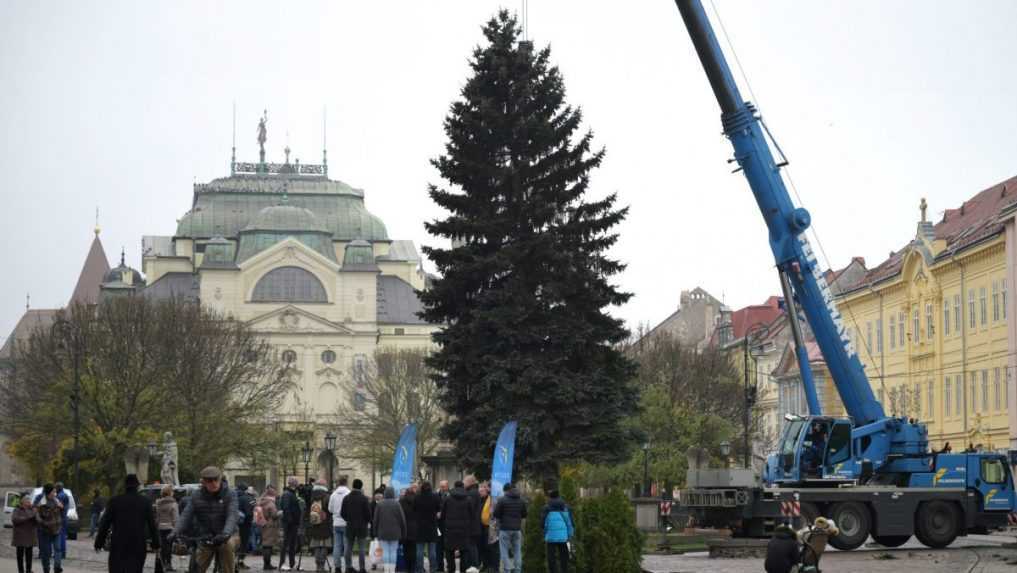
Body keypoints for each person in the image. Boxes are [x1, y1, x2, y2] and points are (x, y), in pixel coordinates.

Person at [170, 466, 239, 573]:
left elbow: (232, 515)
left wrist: (226, 533)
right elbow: (186, 515)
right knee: (197, 566)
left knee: (227, 547)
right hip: (206, 536)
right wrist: (175, 531)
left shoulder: (230, 494)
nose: (214, 483)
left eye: (216, 479)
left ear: (220, 479)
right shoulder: (196, 495)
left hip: (228, 534)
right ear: (203, 482)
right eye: (209, 481)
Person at [95, 474, 160, 573]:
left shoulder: (115, 501)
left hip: (118, 543)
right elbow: (152, 525)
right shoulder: (145, 502)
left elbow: (105, 524)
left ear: (125, 486)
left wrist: (99, 542)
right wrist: (156, 544)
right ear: (137, 486)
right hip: (138, 543)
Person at [439, 481, 474, 573]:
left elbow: (443, 515)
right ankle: (463, 570)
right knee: (464, 551)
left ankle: (451, 569)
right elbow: (472, 514)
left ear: (454, 487)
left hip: (450, 529)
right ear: (463, 487)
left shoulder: (448, 498)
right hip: (464, 529)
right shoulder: (468, 499)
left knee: (449, 551)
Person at [492, 483, 526, 573]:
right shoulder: (521, 500)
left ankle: (507, 570)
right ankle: (518, 570)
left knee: (504, 551)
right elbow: (524, 514)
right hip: (517, 529)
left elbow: (496, 514)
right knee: (517, 551)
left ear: (506, 490)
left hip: (505, 529)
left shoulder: (502, 500)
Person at [340, 479, 373, 573]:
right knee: (361, 548)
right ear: (361, 487)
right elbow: (368, 514)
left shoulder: (346, 498)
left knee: (348, 548)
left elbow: (342, 513)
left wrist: (348, 519)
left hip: (350, 526)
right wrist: (366, 521)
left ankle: (348, 567)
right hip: (362, 526)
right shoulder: (364, 499)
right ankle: (362, 568)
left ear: (353, 486)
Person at [373, 487, 406, 573]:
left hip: (382, 532)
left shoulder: (380, 504)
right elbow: (402, 519)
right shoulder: (397, 504)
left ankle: (386, 570)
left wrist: (374, 532)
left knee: (385, 551)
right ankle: (392, 570)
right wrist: (404, 532)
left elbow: (375, 520)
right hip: (395, 532)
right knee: (393, 551)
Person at [541, 490, 573, 573]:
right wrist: (570, 534)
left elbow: (542, 523)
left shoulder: (546, 508)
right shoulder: (566, 507)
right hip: (563, 536)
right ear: (559, 496)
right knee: (564, 557)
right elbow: (569, 522)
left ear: (549, 497)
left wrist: (544, 533)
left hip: (551, 536)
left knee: (551, 558)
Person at [35, 484, 64, 573]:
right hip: (46, 531)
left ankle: (57, 567)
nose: (55, 493)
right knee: (46, 553)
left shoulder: (56, 500)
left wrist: (61, 507)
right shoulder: (41, 503)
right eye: (53, 492)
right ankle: (46, 569)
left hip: (57, 529)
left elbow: (61, 510)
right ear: (48, 493)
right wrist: (44, 523)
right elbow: (37, 516)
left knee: (58, 549)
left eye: (55, 492)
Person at [306, 479, 332, 573]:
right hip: (325, 523)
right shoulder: (327, 496)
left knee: (317, 545)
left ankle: (317, 565)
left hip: (314, 523)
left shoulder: (312, 496)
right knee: (324, 545)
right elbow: (330, 510)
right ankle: (322, 565)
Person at [414, 482, 440, 573]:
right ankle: (433, 568)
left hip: (420, 527)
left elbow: (414, 509)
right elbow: (438, 508)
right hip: (432, 526)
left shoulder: (417, 497)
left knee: (419, 550)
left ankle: (419, 569)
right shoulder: (435, 496)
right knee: (432, 550)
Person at [278, 477, 302, 571]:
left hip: (293, 523)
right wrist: (290, 521)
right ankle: (282, 563)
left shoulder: (291, 493)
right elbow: (286, 508)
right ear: (294, 484)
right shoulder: (287, 494)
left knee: (292, 544)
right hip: (289, 523)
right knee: (286, 543)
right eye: (297, 483)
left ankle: (292, 563)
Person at [154, 485, 179, 573]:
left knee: (163, 546)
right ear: (170, 492)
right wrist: (177, 529)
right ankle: (168, 564)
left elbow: (157, 517)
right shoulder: (173, 504)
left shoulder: (158, 504)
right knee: (169, 546)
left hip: (161, 527)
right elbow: (175, 518)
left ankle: (162, 563)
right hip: (170, 527)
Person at [328, 477, 351, 571]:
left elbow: (330, 509)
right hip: (346, 523)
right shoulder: (348, 493)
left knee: (337, 546)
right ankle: (348, 566)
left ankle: (337, 567)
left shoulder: (333, 494)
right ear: (346, 483)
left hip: (336, 523)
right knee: (347, 546)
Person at [256, 486, 281, 570]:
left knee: (265, 544)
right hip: (270, 526)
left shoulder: (262, 501)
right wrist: (280, 513)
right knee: (268, 545)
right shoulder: (271, 503)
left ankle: (267, 564)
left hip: (263, 524)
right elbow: (274, 515)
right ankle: (267, 564)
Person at [12, 494, 39, 573]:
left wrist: (36, 514)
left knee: (29, 554)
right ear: (22, 501)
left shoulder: (32, 509)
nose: (29, 501)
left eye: (29, 499)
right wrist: (28, 517)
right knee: (20, 555)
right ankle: (20, 570)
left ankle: (28, 570)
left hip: (30, 535)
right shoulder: (17, 509)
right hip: (20, 536)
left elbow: (37, 520)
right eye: (27, 499)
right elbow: (15, 519)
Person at [462, 476, 482, 569]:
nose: (463, 484)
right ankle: (472, 565)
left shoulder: (472, 493)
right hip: (474, 524)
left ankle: (474, 566)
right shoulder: (473, 492)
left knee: (472, 546)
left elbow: (470, 509)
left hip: (472, 525)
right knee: (472, 546)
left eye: (464, 482)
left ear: (470, 482)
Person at [236, 482, 255, 570]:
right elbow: (249, 513)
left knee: (234, 544)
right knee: (243, 544)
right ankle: (239, 562)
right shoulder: (246, 498)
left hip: (233, 524)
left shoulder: (233, 496)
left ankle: (233, 562)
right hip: (245, 525)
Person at [399, 484, 418, 573]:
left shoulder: (401, 501)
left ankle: (407, 567)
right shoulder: (417, 500)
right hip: (415, 528)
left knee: (406, 549)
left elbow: (399, 515)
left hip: (404, 528)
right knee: (414, 549)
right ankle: (413, 568)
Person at [435, 480, 449, 573]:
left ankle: (449, 565)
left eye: (443, 487)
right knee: (438, 546)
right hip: (438, 524)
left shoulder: (451, 495)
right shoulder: (436, 495)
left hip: (447, 524)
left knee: (448, 546)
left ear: (447, 487)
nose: (442, 488)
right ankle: (440, 566)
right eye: (441, 486)